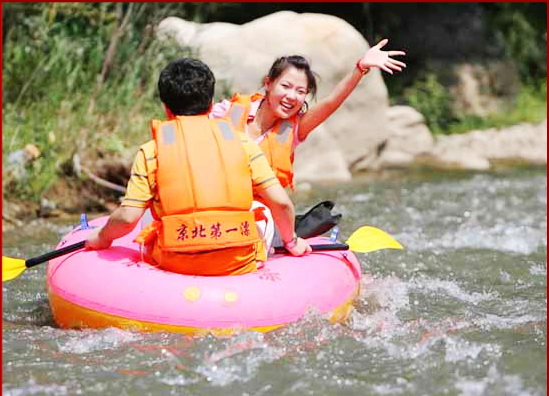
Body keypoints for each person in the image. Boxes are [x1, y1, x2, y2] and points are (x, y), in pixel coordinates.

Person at [85, 58, 311, 276]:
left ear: (166, 108)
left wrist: (103, 237)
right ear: (211, 104)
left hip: (173, 263)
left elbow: (127, 217)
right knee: (259, 211)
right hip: (238, 262)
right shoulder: (243, 144)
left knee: (149, 212)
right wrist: (291, 242)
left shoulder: (151, 151)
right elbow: (281, 203)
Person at [210, 38, 407, 190]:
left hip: (258, 213)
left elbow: (331, 103)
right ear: (268, 83)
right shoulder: (227, 111)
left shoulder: (295, 129)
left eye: (300, 91)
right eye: (285, 86)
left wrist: (360, 68)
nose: (291, 96)